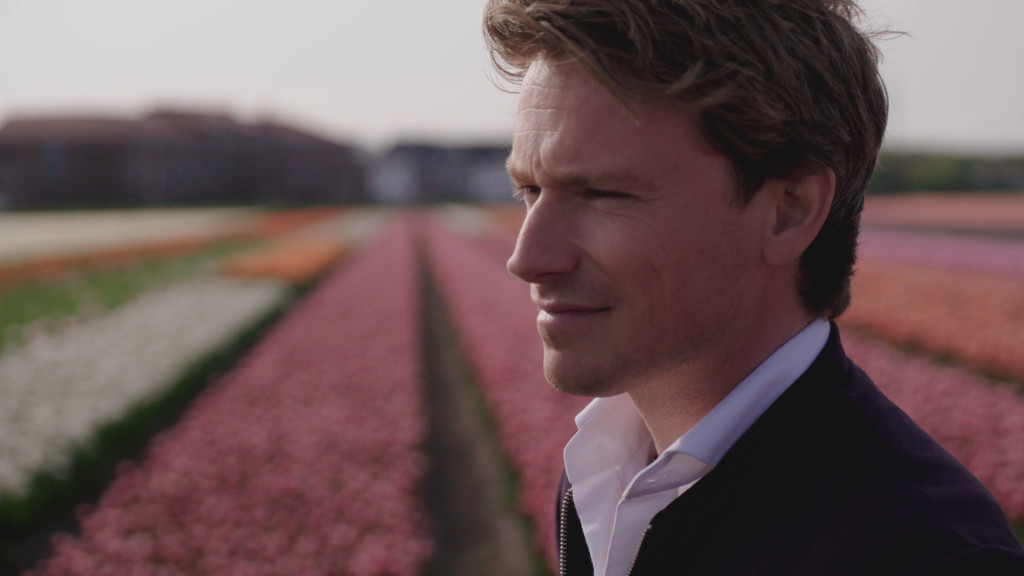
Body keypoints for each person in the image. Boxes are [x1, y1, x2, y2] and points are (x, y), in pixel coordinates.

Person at [483, 0, 1024, 574]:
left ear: (789, 211)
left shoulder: (930, 556)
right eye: (530, 191)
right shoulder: (605, 471)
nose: (527, 259)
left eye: (602, 194)